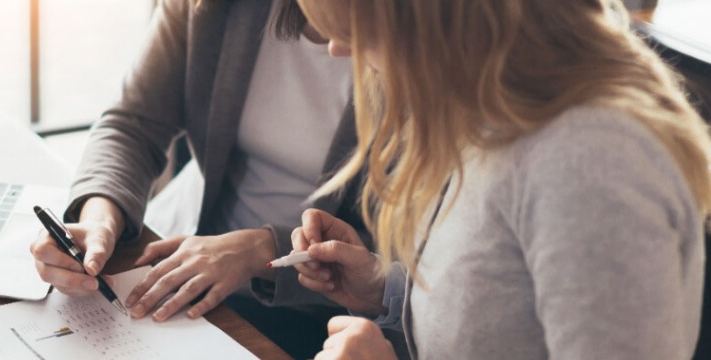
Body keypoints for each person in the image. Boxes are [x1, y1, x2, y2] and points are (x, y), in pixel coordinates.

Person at [290, 0, 711, 358]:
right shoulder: (487, 109)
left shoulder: (591, 166)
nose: (337, 49)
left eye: (362, 32)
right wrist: (386, 290)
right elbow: (502, 310)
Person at [28, 0, 372, 357]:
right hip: (177, 248)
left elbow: (409, 257)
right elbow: (133, 123)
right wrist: (99, 219)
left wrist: (262, 249)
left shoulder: (415, 42)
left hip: (317, 311)